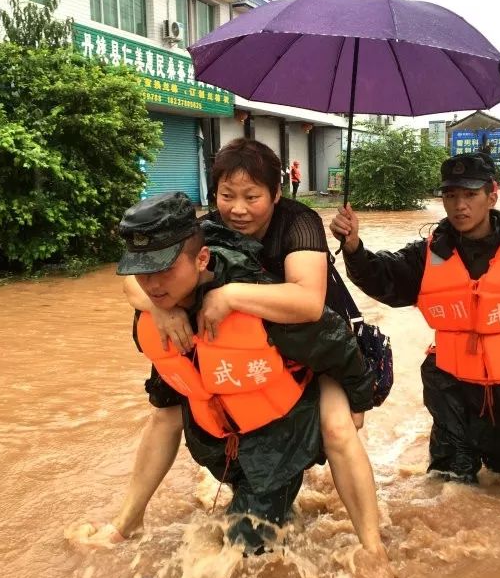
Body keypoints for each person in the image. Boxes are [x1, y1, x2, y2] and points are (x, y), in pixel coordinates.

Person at [88, 140, 385, 555]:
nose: (238, 208)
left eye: (252, 196)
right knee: (164, 413)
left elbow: (308, 303)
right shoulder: (205, 232)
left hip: (314, 334)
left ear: (276, 194)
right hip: (231, 335)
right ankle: (127, 522)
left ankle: (373, 550)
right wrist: (160, 310)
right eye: (227, 196)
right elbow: (132, 281)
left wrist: (228, 297)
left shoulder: (298, 223)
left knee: (338, 429)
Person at [330, 152, 500, 484]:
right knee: (448, 493)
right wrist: (353, 247)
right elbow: (385, 277)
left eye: (470, 194)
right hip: (452, 396)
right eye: (451, 195)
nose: (459, 205)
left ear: (492, 195)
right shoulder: (429, 253)